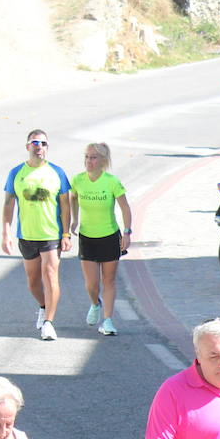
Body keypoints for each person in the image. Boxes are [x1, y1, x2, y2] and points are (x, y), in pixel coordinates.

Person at [2, 128, 71, 342]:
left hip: (51, 234)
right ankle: (43, 306)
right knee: (33, 281)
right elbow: (8, 203)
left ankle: (49, 323)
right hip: (27, 235)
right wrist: (6, 233)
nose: (39, 147)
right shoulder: (16, 173)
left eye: (43, 143)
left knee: (50, 275)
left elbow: (66, 206)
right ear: (27, 146)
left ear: (47, 148)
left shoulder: (57, 173)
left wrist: (66, 234)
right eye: (35, 143)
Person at [69, 142, 132, 337]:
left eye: (94, 157)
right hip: (87, 237)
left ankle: (107, 320)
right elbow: (72, 198)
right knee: (91, 284)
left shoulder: (111, 182)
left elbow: (125, 208)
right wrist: (74, 220)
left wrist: (127, 232)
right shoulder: (78, 180)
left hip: (109, 236)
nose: (89, 161)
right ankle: (96, 304)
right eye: (87, 157)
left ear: (103, 161)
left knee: (109, 280)